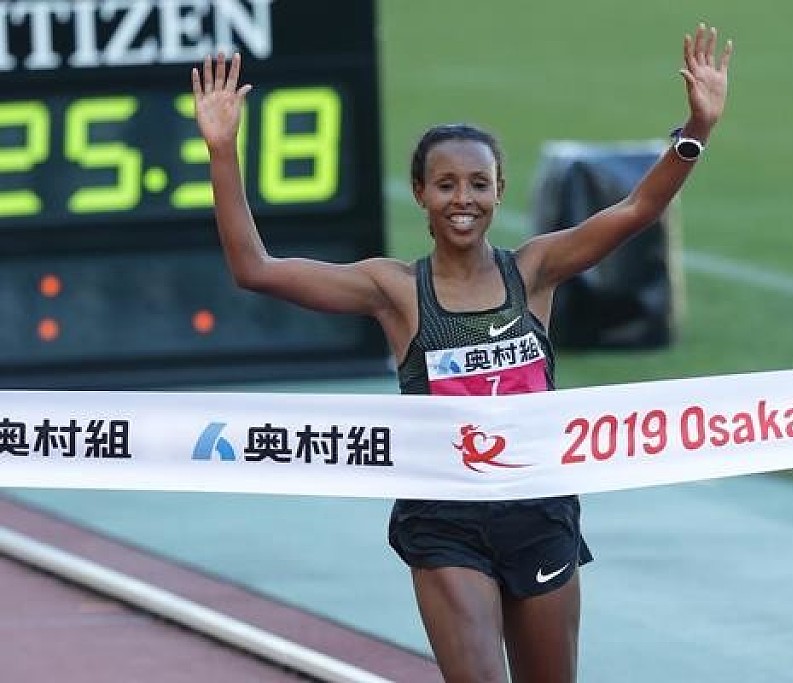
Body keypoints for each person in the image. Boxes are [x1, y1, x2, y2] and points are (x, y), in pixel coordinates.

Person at [192, 21, 732, 683]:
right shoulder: (395, 291)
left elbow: (636, 208)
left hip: (539, 509)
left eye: (478, 183)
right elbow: (255, 268)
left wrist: (697, 128)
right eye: (445, 184)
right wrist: (223, 149)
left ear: (500, 190)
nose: (463, 200)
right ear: (420, 193)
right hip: (445, 520)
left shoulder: (534, 271)